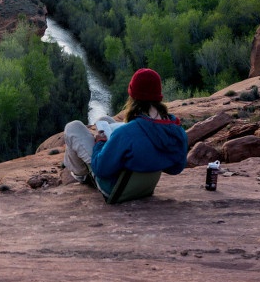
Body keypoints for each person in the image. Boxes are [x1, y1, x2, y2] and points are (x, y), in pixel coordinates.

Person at [63, 68, 188, 197]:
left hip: (115, 189)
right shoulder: (176, 130)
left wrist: (100, 143)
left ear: (133, 97)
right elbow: (176, 169)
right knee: (104, 120)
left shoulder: (127, 134)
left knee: (73, 127)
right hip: (145, 188)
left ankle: (81, 175)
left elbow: (101, 169)